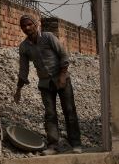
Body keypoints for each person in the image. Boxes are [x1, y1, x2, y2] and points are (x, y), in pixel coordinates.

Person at [14, 15, 82, 155]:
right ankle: (53, 145)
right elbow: (23, 69)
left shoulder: (48, 37)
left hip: (62, 79)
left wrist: (63, 76)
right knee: (50, 114)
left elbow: (63, 55)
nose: (27, 28)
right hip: (45, 83)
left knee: (69, 111)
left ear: (35, 24)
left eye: (29, 24)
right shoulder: (24, 47)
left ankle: (76, 144)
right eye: (24, 26)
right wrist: (18, 89)